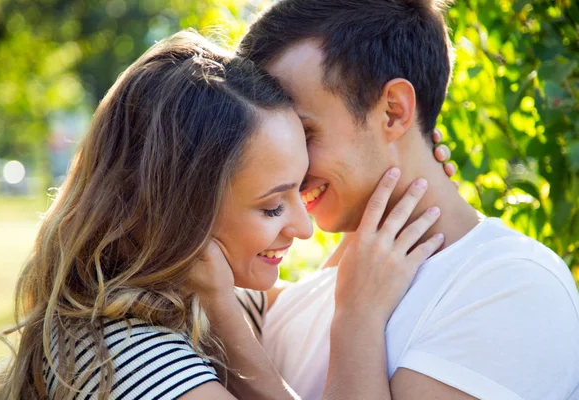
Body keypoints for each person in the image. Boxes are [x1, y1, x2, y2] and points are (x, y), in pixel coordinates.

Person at [0, 31, 451, 400]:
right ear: (180, 213)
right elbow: (344, 299)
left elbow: (309, 296)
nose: (304, 228)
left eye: (298, 189)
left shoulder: (177, 307)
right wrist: (357, 322)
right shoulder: (131, 361)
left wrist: (408, 183)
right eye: (271, 205)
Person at [236, 0, 579, 399]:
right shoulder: (352, 271)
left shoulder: (512, 285)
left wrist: (357, 323)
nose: (283, 168)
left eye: (304, 134)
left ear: (394, 112)